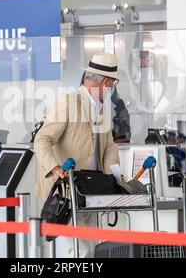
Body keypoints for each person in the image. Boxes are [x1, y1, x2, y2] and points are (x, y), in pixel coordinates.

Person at [34, 52, 120, 257]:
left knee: (89, 248)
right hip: (65, 190)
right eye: (113, 84)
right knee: (74, 249)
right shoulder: (68, 103)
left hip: (90, 188)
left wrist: (117, 178)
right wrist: (55, 168)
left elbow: (109, 147)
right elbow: (42, 139)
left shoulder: (101, 110)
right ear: (105, 82)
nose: (112, 89)